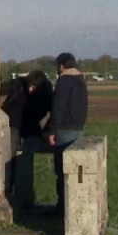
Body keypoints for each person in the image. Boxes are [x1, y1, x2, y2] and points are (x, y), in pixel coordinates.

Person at [43, 52, 88, 214]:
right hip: (78, 127)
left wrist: (52, 130)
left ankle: (62, 207)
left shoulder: (64, 81)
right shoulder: (80, 80)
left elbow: (58, 107)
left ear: (62, 65)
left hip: (64, 129)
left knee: (61, 170)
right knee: (74, 170)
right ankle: (73, 206)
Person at [11, 69, 53, 209]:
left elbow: (35, 115)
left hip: (23, 127)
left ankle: (18, 197)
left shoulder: (44, 94)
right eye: (29, 86)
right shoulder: (21, 87)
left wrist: (46, 131)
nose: (30, 89)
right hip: (17, 125)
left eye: (33, 87)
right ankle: (13, 193)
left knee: (18, 157)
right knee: (13, 159)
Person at [0, 74, 27, 198]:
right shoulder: (25, 93)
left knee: (8, 157)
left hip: (11, 125)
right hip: (16, 125)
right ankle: (10, 187)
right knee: (11, 157)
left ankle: (8, 187)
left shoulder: (15, 90)